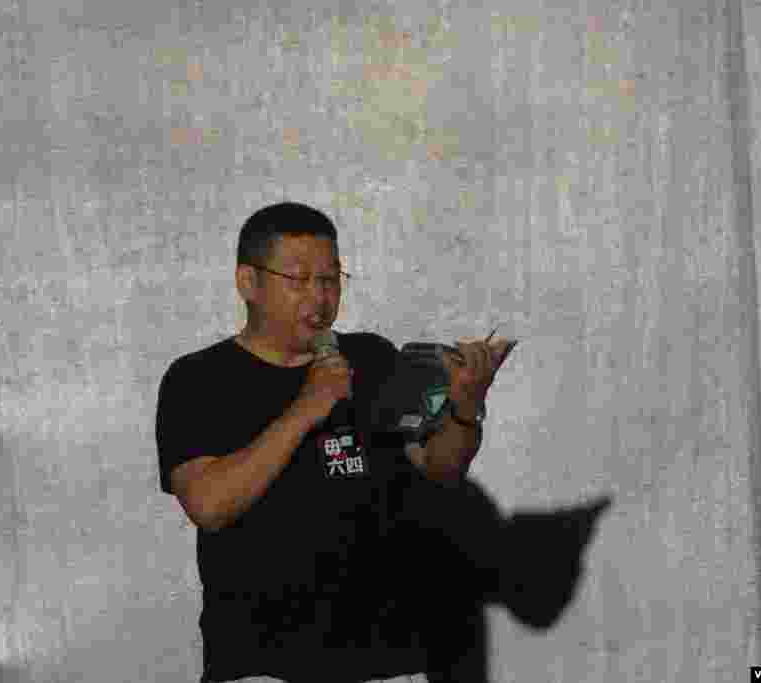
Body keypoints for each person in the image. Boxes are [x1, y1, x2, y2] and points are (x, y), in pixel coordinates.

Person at [155, 202, 563, 683]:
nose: (320, 296)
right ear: (248, 282)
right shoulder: (198, 379)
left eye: (331, 279)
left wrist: (466, 404)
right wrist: (308, 406)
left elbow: (438, 467)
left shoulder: (372, 357)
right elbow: (208, 505)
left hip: (393, 663)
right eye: (298, 279)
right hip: (263, 667)